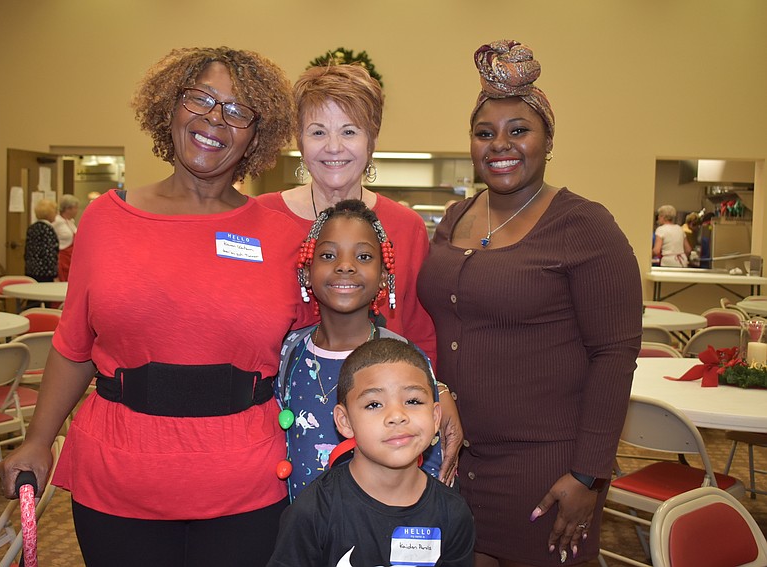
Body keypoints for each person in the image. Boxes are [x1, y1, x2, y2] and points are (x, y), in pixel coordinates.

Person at [0, 47, 310, 567]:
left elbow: (319, 355)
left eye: (237, 111)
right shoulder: (105, 219)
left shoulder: (285, 238)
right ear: (170, 107)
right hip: (118, 478)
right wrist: (37, 440)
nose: (215, 119)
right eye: (201, 99)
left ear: (258, 135)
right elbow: (74, 346)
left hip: (247, 483)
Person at [417, 40, 642, 566]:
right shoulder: (455, 217)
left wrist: (588, 474)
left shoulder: (585, 227)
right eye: (484, 132)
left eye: (519, 130)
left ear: (547, 141)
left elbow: (614, 355)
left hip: (544, 473)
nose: (501, 144)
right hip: (452, 462)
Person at [276, 199, 460, 499]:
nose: (345, 265)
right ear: (307, 272)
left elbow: (430, 465)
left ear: (384, 278)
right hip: (304, 533)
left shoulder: (404, 358)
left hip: (384, 532)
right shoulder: (290, 353)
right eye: (327, 255)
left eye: (363, 256)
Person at [255, 64, 437, 364]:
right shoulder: (263, 218)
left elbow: (420, 332)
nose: (334, 147)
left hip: (383, 402)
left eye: (349, 131)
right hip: (281, 400)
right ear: (299, 140)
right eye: (318, 132)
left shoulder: (406, 228)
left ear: (372, 140)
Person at [269, 338, 475, 567]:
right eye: (374, 404)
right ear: (345, 421)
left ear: (436, 417)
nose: (397, 415)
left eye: (413, 400)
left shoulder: (453, 514)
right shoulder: (312, 512)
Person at [24, 198, 59, 282]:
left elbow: (27, 250)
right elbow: (49, 253)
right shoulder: (47, 229)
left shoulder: (32, 228)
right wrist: (55, 274)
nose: (56, 214)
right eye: (55, 212)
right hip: (45, 272)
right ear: (49, 214)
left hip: (31, 269)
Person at [52, 194, 79, 281]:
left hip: (71, 259)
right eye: (75, 208)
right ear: (68, 208)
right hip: (62, 260)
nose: (77, 211)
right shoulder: (57, 221)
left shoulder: (71, 222)